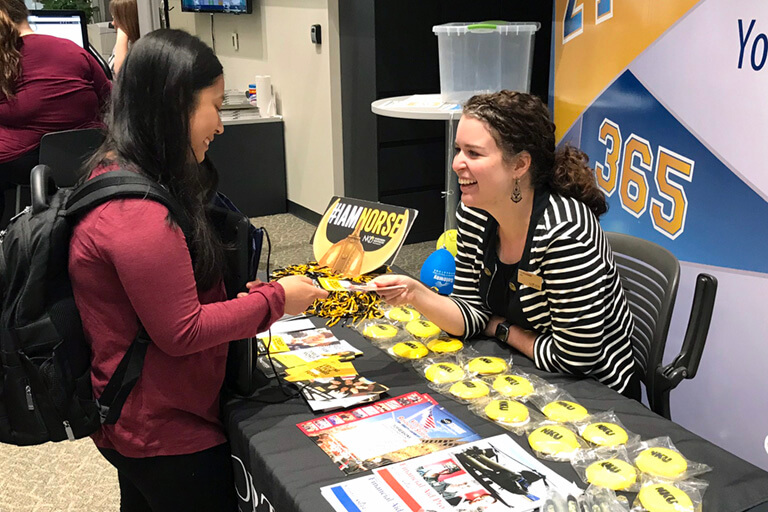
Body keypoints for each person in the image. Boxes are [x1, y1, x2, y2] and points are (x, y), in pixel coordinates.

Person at [68, 29, 327, 511]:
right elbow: (181, 331)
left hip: (145, 414)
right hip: (165, 429)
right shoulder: (136, 212)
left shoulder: (129, 171)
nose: (222, 124)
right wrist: (274, 301)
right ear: (174, 107)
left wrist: (237, 296)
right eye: (216, 105)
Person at [374, 91, 639, 399]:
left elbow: (576, 358)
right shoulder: (475, 212)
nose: (457, 163)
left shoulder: (564, 234)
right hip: (522, 367)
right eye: (458, 150)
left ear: (520, 165)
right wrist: (414, 294)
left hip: (594, 391)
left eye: (473, 153)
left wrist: (500, 329)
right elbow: (472, 313)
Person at [0, 0, 111, 223]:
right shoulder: (72, 48)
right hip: (87, 156)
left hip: (25, 166)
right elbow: (109, 96)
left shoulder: (5, 59)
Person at [108, 0, 139, 76]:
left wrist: (122, 31)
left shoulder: (136, 47)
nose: (113, 23)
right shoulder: (124, 43)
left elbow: (120, 73)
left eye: (116, 19)